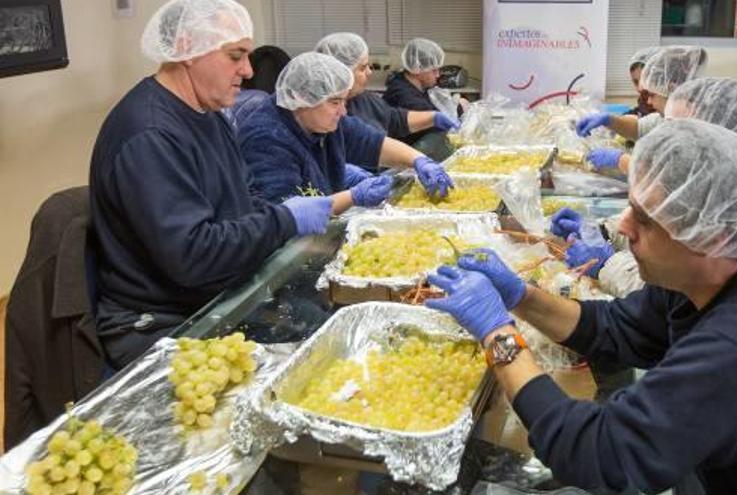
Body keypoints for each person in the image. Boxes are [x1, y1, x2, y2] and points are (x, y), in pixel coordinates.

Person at [425, 119, 737, 494]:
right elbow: (615, 327)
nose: (623, 225)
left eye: (644, 218)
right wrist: (519, 297)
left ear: (710, 236)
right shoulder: (717, 278)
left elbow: (602, 456)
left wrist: (498, 335)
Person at [89, 0, 334, 368]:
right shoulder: (150, 135)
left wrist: (278, 216)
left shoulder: (209, 114)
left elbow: (244, 197)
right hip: (163, 323)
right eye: (235, 56)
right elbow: (194, 257)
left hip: (216, 295)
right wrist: (284, 220)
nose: (248, 70)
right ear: (188, 49)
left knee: (320, 319)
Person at [567, 77, 737, 338]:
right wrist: (604, 231)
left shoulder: (732, 199)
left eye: (678, 132)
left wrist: (607, 264)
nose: (666, 141)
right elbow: (667, 235)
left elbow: (677, 291)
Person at [235, 51, 453, 208]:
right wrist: (353, 197)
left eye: (343, 101)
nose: (343, 111)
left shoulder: (323, 120)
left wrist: (419, 161)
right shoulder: (266, 138)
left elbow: (372, 142)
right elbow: (287, 214)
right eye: (335, 102)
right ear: (304, 100)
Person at [314, 32, 459, 141]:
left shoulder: (365, 99)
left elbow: (393, 119)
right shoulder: (321, 115)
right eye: (363, 68)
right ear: (340, 72)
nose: (370, 72)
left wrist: (433, 117)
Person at [576, 46, 707, 143]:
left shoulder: (695, 129)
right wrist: (609, 120)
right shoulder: (670, 117)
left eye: (652, 95)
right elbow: (639, 127)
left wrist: (619, 160)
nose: (648, 101)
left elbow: (664, 172)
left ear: (671, 88)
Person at [623, 46, 660, 118]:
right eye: (636, 82)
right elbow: (640, 111)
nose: (640, 88)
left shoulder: (668, 106)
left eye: (645, 80)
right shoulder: (643, 100)